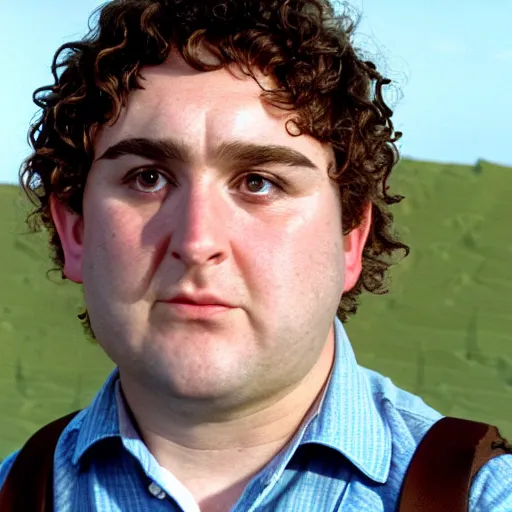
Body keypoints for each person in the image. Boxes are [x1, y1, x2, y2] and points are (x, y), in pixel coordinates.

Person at [1, 0, 510, 510]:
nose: (198, 242)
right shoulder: (12, 490)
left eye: (258, 183)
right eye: (148, 178)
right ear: (76, 232)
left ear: (349, 240)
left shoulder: (487, 498)